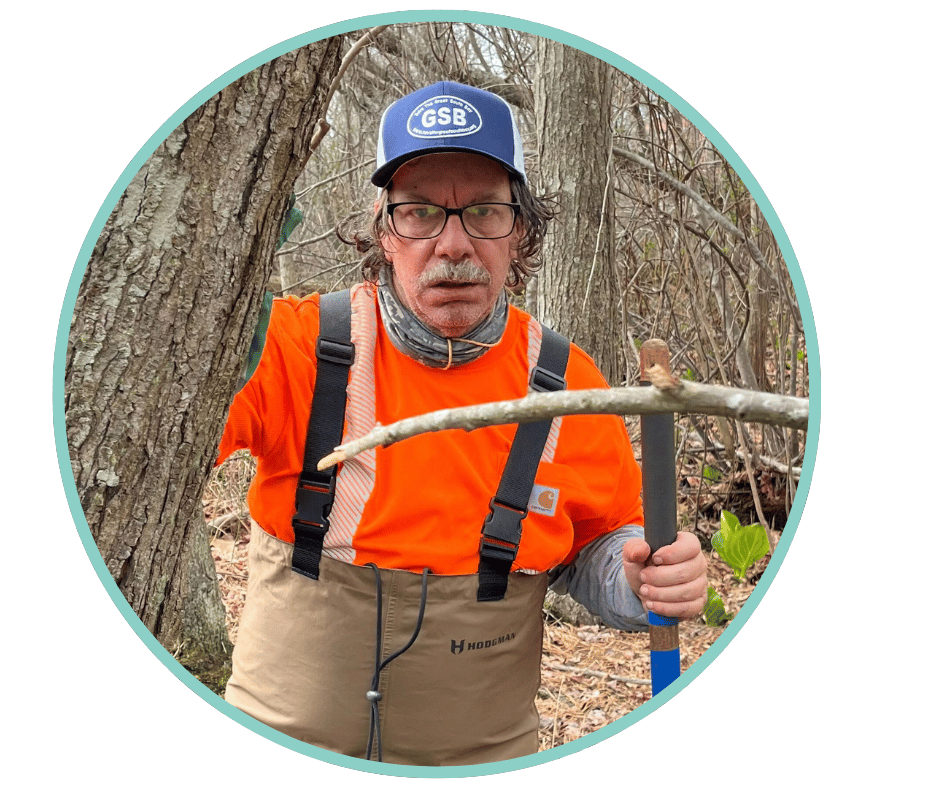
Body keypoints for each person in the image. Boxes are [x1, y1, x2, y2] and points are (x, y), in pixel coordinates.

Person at [216, 81, 707, 766]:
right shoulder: (289, 346)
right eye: (419, 213)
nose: (453, 244)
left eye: (483, 212)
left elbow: (602, 552)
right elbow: (150, 452)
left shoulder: (568, 384)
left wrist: (646, 582)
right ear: (385, 232)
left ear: (522, 231)